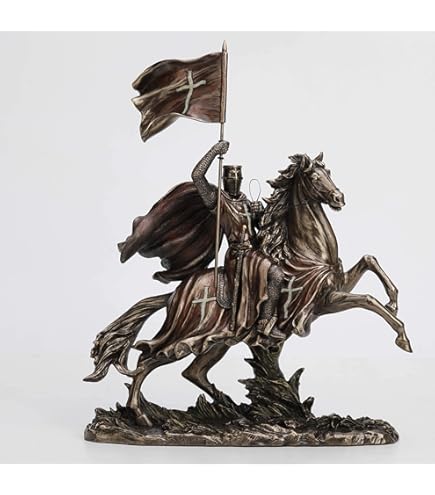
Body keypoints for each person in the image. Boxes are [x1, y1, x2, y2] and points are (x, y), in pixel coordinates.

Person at [191, 140, 285, 347]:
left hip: (254, 252)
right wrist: (214, 150)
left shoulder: (246, 202)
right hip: (238, 255)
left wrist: (259, 213)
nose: (233, 181)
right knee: (277, 274)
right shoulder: (217, 201)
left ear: (241, 179)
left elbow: (258, 227)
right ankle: (265, 323)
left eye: (236, 178)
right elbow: (197, 176)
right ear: (223, 180)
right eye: (229, 178)